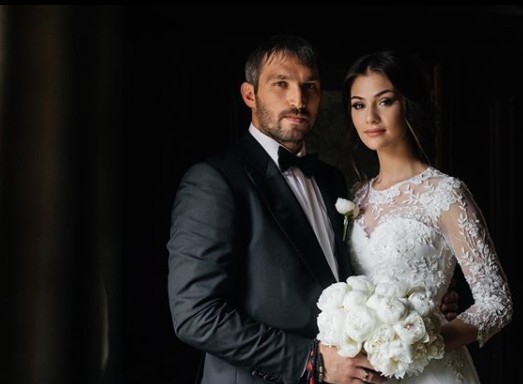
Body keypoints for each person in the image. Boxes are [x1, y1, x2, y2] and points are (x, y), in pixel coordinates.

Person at [167, 35, 457, 384]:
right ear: (249, 94)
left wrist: (417, 303)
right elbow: (196, 315)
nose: (298, 100)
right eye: (281, 84)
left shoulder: (331, 180)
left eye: (310, 87)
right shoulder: (215, 181)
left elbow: (348, 276)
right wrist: (311, 363)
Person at [341, 49, 513, 383]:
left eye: (385, 101)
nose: (370, 117)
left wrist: (421, 342)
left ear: (409, 103)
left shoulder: (445, 194)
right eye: (358, 105)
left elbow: (497, 302)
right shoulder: (354, 195)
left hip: (434, 370)